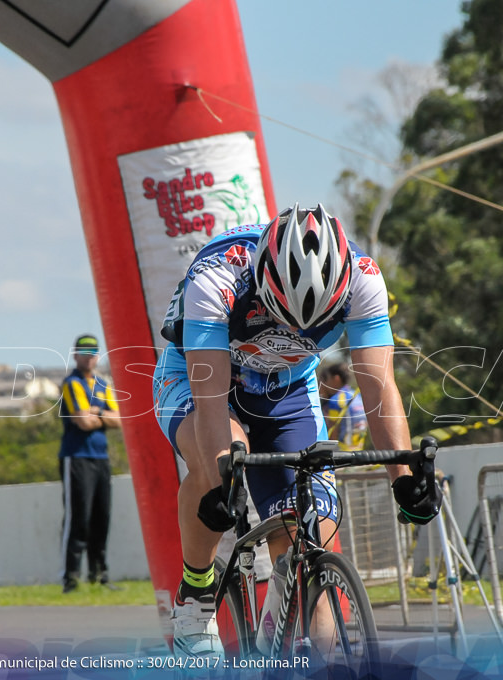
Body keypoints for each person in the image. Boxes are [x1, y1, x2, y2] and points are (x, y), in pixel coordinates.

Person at [152, 202, 443, 657]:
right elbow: (210, 405)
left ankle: (314, 657)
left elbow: (378, 389)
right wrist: (221, 481)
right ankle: (196, 592)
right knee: (221, 460)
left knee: (314, 526)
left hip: (285, 389)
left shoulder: (365, 279)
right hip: (205, 381)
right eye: (283, 315)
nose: (295, 328)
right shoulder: (218, 275)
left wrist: (404, 479)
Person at [58, 334, 121, 592]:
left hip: (101, 457)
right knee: (78, 518)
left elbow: (120, 420)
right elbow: (82, 421)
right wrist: (100, 415)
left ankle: (99, 574)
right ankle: (70, 577)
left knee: (101, 517)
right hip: (77, 457)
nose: (89, 356)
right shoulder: (71, 384)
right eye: (84, 352)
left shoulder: (102, 384)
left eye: (93, 352)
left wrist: (96, 413)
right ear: (75, 355)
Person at [319, 363, 368, 451]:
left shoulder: (336, 400)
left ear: (336, 378)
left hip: (342, 452)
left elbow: (332, 433)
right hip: (358, 451)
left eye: (326, 379)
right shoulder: (357, 396)